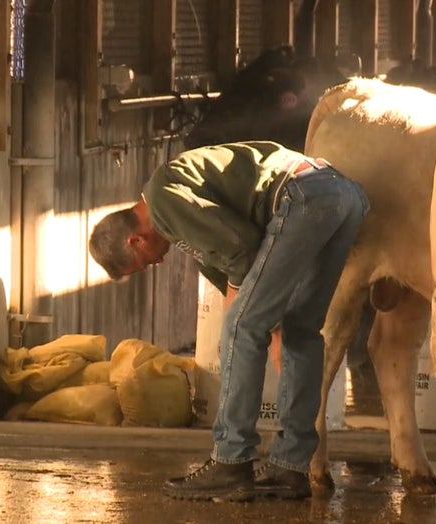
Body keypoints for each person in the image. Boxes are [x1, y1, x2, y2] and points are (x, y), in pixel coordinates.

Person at [88, 141, 369, 502]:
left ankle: (231, 461)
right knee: (299, 330)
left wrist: (239, 327)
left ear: (135, 240)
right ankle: (291, 466)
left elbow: (242, 248)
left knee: (241, 327)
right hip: (342, 197)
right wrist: (268, 326)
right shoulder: (178, 214)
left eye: (142, 263)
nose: (154, 264)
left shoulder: (162, 201)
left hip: (305, 197)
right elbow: (233, 277)